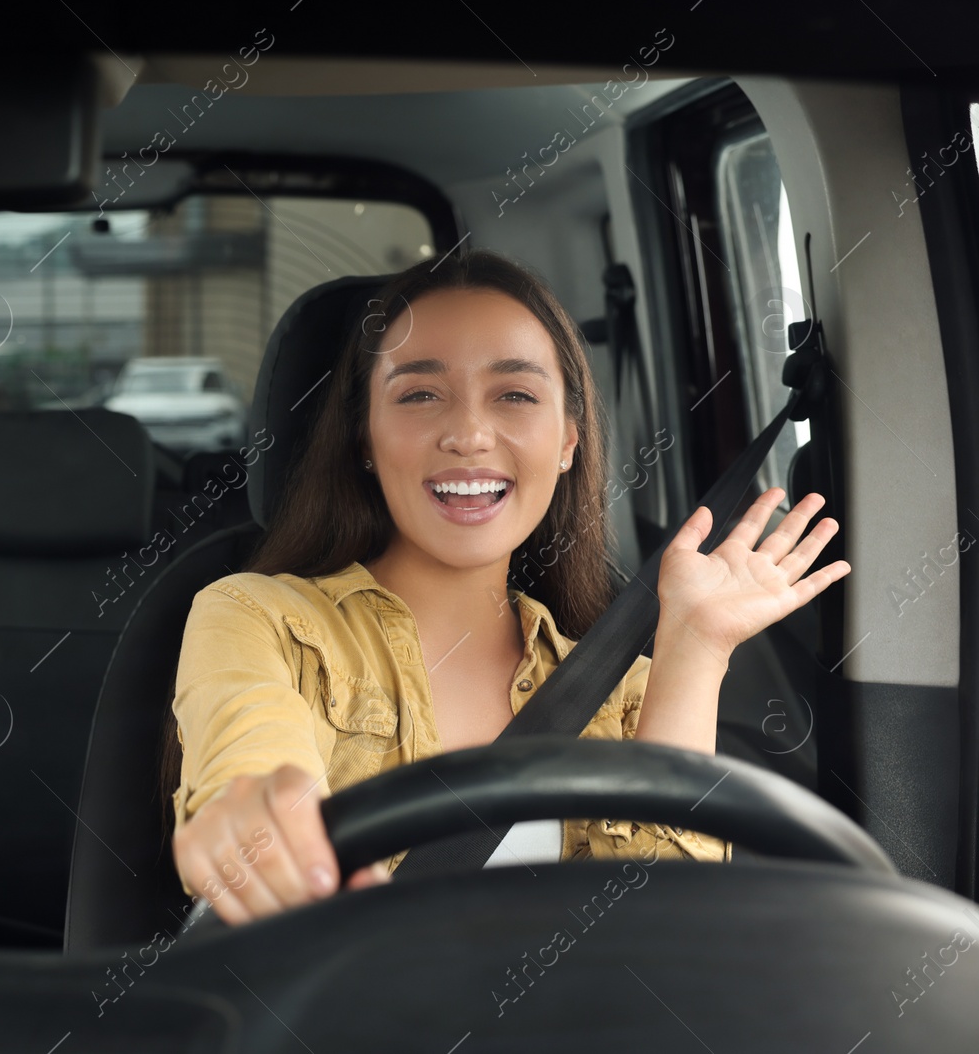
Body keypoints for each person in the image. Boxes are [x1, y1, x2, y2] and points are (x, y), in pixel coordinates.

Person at [164, 250, 850, 927]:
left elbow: (660, 932)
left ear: (567, 441)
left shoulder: (621, 693)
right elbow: (247, 753)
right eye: (420, 393)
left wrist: (696, 647)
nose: (467, 434)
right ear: (365, 438)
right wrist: (252, 815)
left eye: (515, 394)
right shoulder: (257, 618)